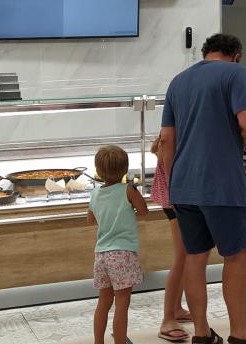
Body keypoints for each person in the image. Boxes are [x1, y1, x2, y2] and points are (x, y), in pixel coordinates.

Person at [157, 33, 246, 344]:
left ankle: (201, 334)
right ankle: (240, 334)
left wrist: (174, 184)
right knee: (235, 256)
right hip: (223, 185)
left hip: (183, 186)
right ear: (236, 54)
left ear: (206, 52)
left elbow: (166, 141)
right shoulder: (235, 73)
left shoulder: (178, 82)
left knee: (195, 257)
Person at [87, 145, 149, 344]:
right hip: (123, 254)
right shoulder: (128, 190)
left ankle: (98, 342)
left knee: (103, 302)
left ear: (98, 172)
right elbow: (144, 210)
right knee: (122, 303)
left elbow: (91, 220)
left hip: (101, 255)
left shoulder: (95, 194)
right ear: (125, 170)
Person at [149, 135, 193, 342]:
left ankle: (176, 309)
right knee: (181, 257)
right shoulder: (171, 137)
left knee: (185, 256)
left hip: (178, 197)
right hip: (175, 200)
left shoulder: (173, 131)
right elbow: (169, 166)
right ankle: (167, 318)